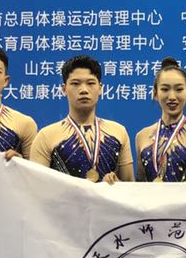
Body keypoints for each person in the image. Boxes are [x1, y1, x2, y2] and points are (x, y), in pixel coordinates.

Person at [29, 55, 134, 183]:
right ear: (64, 89)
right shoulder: (46, 136)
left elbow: (130, 187)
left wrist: (116, 183)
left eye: (90, 83)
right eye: (75, 84)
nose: (84, 90)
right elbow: (36, 188)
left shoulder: (119, 131)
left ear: (100, 88)